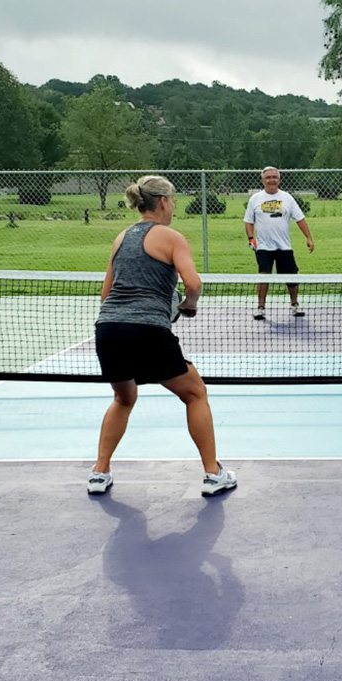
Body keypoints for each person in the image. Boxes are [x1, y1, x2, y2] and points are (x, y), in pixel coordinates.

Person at [89, 175, 237, 497]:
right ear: (164, 202)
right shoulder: (171, 237)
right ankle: (213, 474)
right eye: (174, 203)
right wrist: (188, 304)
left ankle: (99, 473)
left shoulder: (121, 238)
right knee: (195, 393)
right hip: (147, 331)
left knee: (123, 398)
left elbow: (106, 294)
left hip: (108, 330)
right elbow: (194, 283)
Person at [243, 166, 315, 320]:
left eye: (274, 177)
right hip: (263, 247)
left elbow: (300, 219)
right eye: (268, 177)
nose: (271, 180)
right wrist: (251, 239)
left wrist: (308, 237)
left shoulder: (287, 198)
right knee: (263, 277)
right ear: (263, 180)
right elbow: (249, 222)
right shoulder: (255, 199)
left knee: (291, 277)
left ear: (279, 179)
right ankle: (261, 308)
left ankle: (295, 305)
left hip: (284, 247)